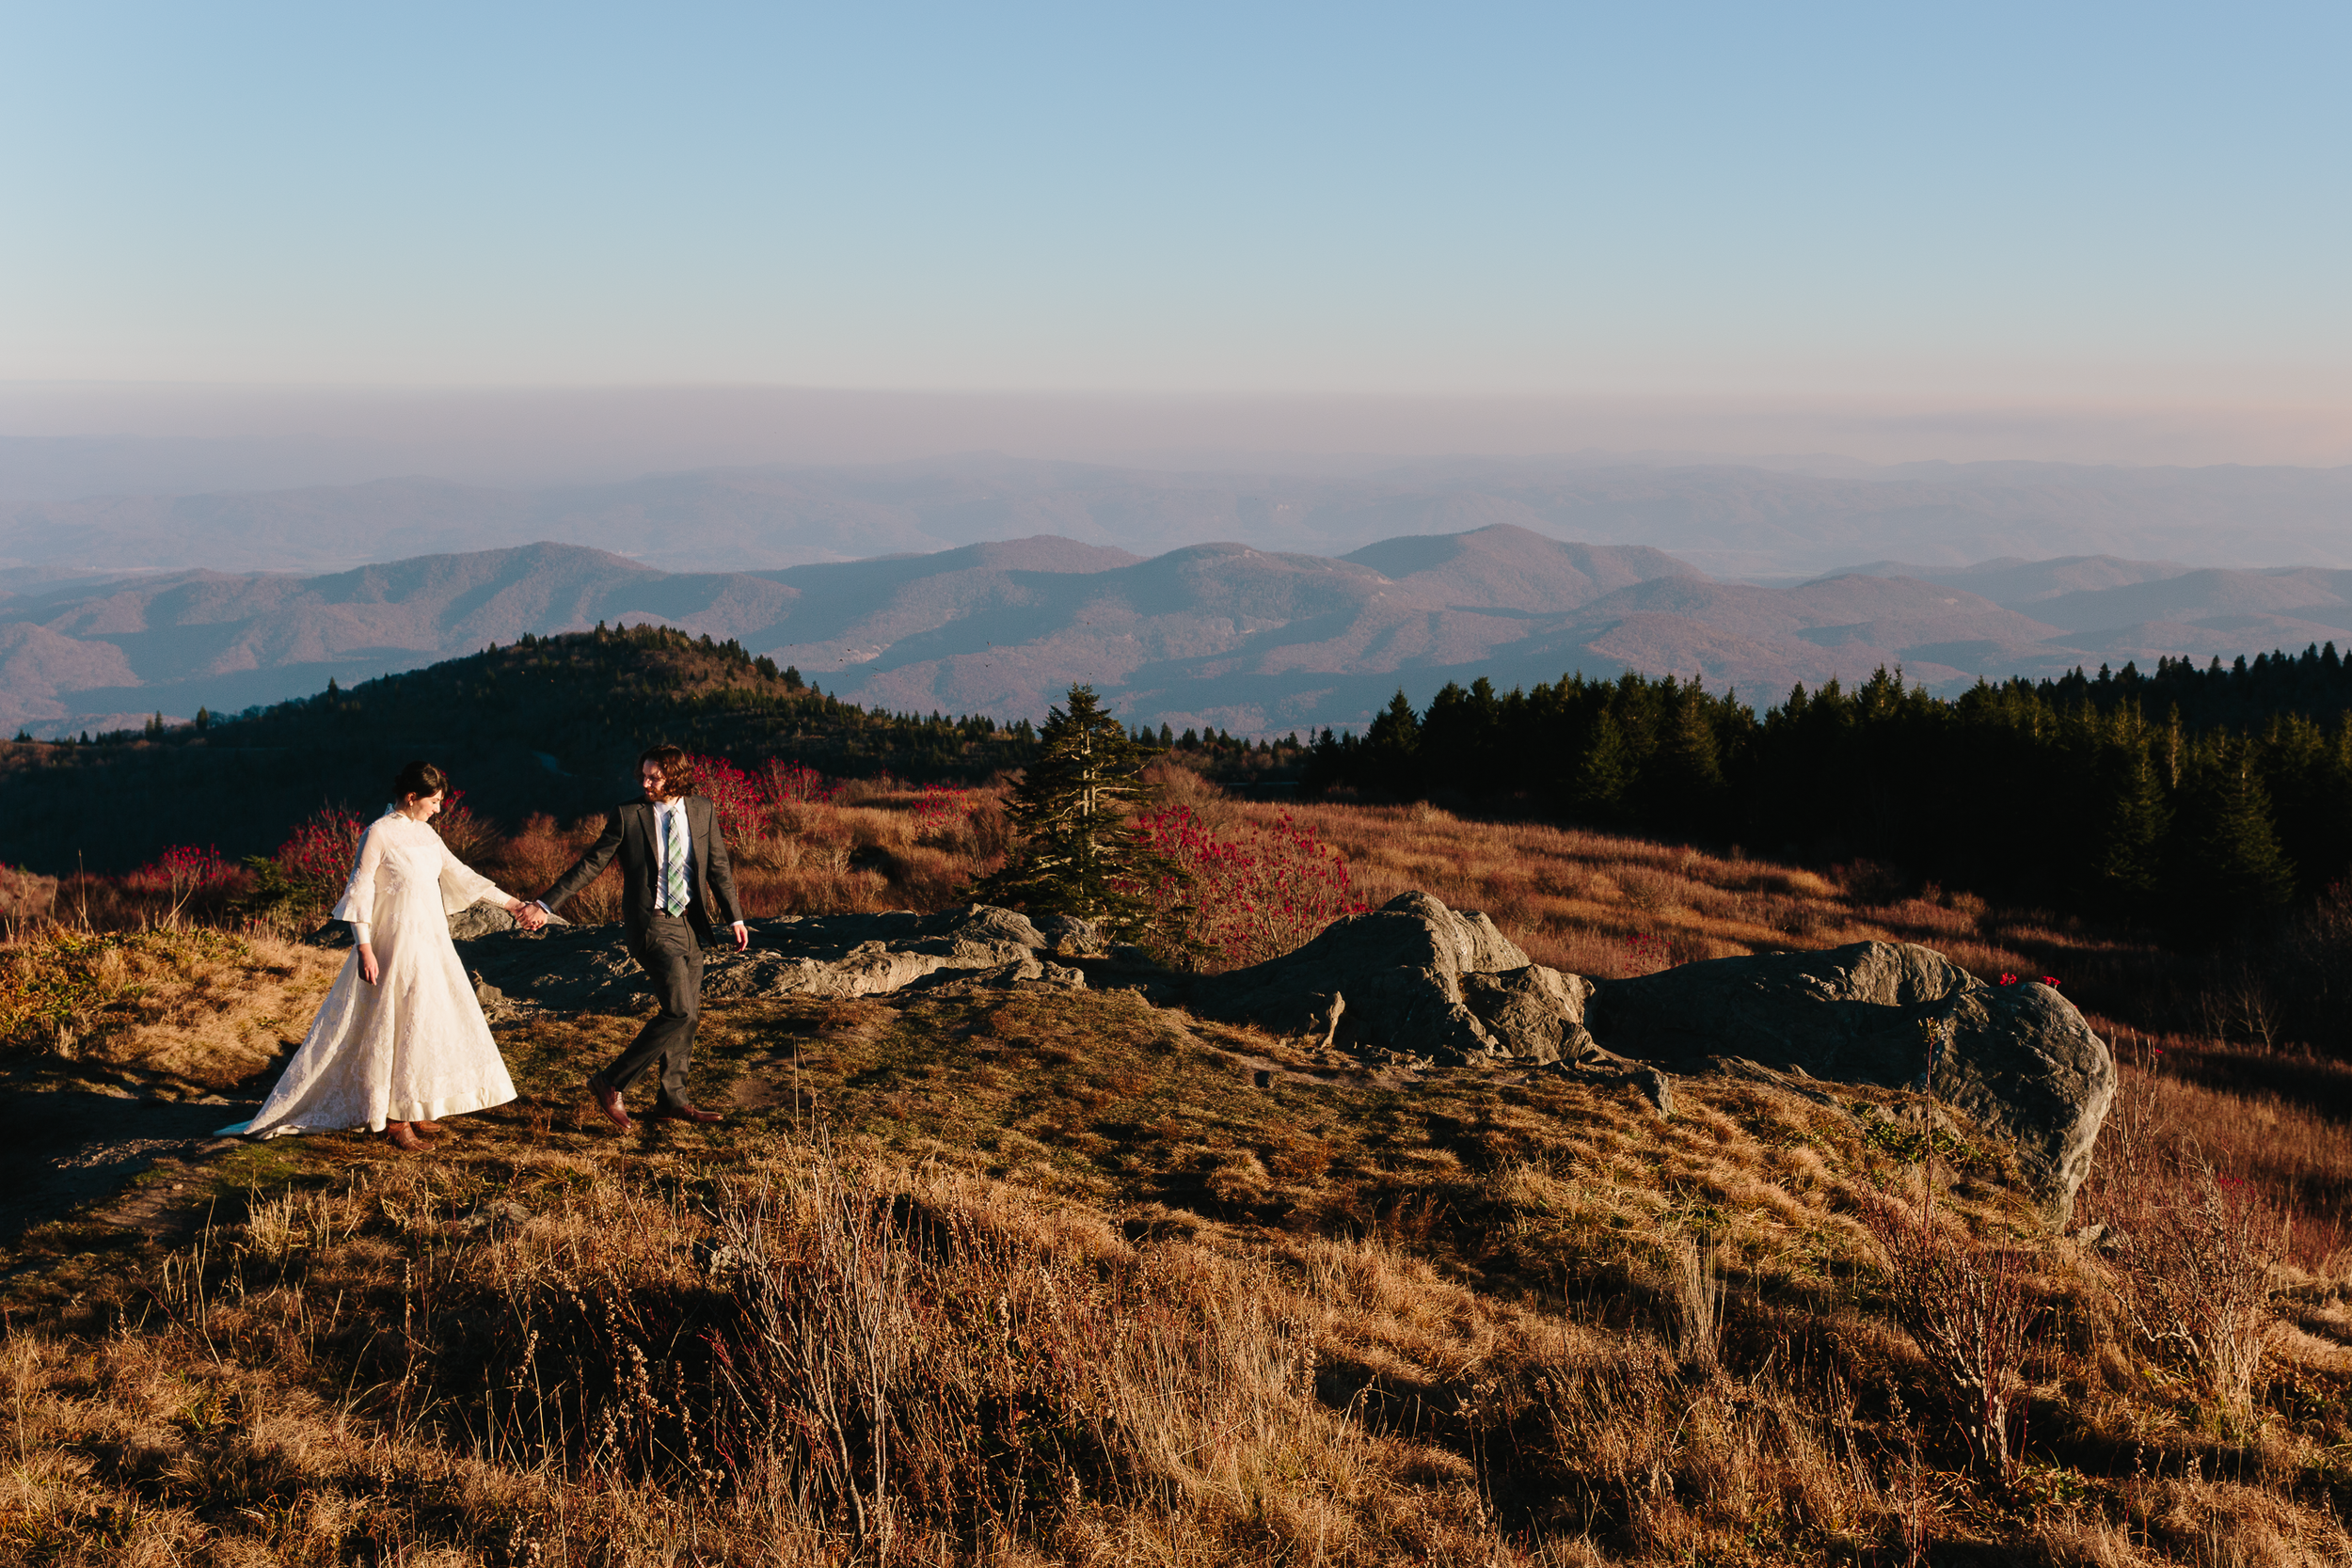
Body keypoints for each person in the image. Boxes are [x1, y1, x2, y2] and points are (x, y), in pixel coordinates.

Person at [227, 762, 546, 1150]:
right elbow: (359, 893)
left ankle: (414, 1103)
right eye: (435, 801)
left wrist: (516, 905)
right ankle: (394, 1118)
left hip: (431, 942)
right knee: (399, 1023)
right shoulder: (376, 834)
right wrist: (363, 947)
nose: (439, 809)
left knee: (425, 1022)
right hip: (394, 945)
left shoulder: (427, 834)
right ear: (412, 797)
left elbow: (463, 875)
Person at [535, 743, 748, 1132]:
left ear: (676, 778)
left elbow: (718, 865)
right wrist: (545, 904)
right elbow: (591, 865)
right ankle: (611, 1081)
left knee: (689, 1017)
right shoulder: (628, 815)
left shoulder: (702, 809)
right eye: (644, 775)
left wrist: (734, 917)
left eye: (655, 777)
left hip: (690, 924)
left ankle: (672, 1100)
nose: (645, 783)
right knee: (678, 1009)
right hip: (650, 924)